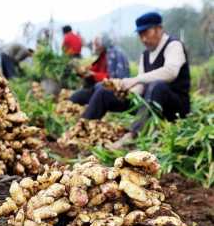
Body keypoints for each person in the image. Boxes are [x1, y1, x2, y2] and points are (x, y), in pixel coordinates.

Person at [77, 12, 191, 147]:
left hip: (174, 107)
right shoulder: (145, 55)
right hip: (147, 105)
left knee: (156, 86)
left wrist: (136, 79)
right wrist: (123, 90)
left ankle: (132, 136)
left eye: (146, 33)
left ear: (159, 29)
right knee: (103, 91)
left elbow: (170, 72)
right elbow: (141, 88)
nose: (143, 39)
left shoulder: (174, 45)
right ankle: (80, 130)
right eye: (140, 35)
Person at [70, 34, 130, 107]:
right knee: (75, 97)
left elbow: (111, 79)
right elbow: (94, 68)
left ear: (103, 44)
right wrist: (83, 71)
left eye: (97, 45)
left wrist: (93, 74)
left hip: (110, 90)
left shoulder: (113, 55)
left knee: (80, 96)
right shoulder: (103, 54)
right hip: (98, 87)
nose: (96, 48)